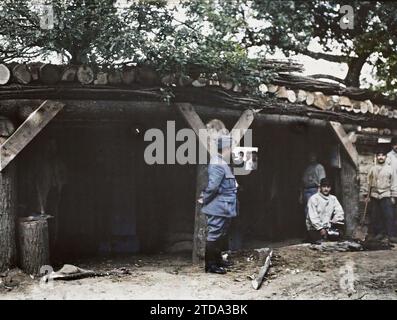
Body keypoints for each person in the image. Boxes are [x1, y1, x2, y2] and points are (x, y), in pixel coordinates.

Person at [200, 135, 238, 274]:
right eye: (231, 149)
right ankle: (210, 265)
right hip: (219, 206)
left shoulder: (222, 162)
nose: (232, 152)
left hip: (225, 206)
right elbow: (213, 187)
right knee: (214, 235)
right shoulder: (217, 163)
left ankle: (217, 260)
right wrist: (204, 200)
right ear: (226, 149)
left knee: (221, 234)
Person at [366, 148, 397, 243]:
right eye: (379, 155)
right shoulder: (372, 169)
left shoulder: (390, 169)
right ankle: (379, 233)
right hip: (374, 195)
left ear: (386, 157)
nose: (380, 157)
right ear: (376, 157)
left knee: (389, 215)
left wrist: (393, 195)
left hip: (386, 194)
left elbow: (394, 183)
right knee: (376, 215)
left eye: (382, 155)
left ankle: (391, 235)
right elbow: (368, 183)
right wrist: (367, 195)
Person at [306, 178, 345, 243]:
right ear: (320, 187)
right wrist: (320, 228)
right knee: (319, 242)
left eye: (328, 187)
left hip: (327, 227)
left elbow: (340, 211)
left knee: (340, 237)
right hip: (315, 228)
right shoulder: (314, 199)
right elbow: (313, 217)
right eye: (324, 187)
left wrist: (336, 218)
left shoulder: (333, 198)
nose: (326, 189)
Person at [387, 137, 397, 236]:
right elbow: (387, 176)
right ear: (392, 145)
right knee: (392, 214)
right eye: (395, 144)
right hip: (393, 190)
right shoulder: (389, 157)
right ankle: (392, 235)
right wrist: (391, 194)